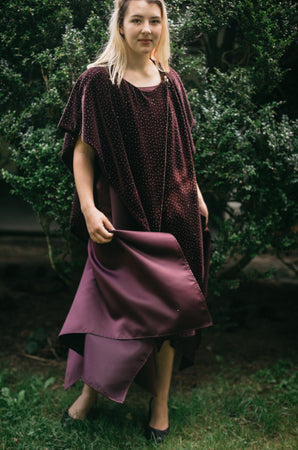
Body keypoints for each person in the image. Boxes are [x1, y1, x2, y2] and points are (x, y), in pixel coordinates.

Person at [58, 0, 212, 443]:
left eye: (155, 21)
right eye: (137, 20)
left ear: (163, 26)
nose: (147, 29)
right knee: (109, 307)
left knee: (170, 310)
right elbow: (83, 153)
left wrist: (196, 194)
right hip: (121, 215)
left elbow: (184, 148)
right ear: (121, 26)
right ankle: (91, 393)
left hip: (174, 213)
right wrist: (88, 207)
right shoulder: (97, 82)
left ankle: (159, 403)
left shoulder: (171, 81)